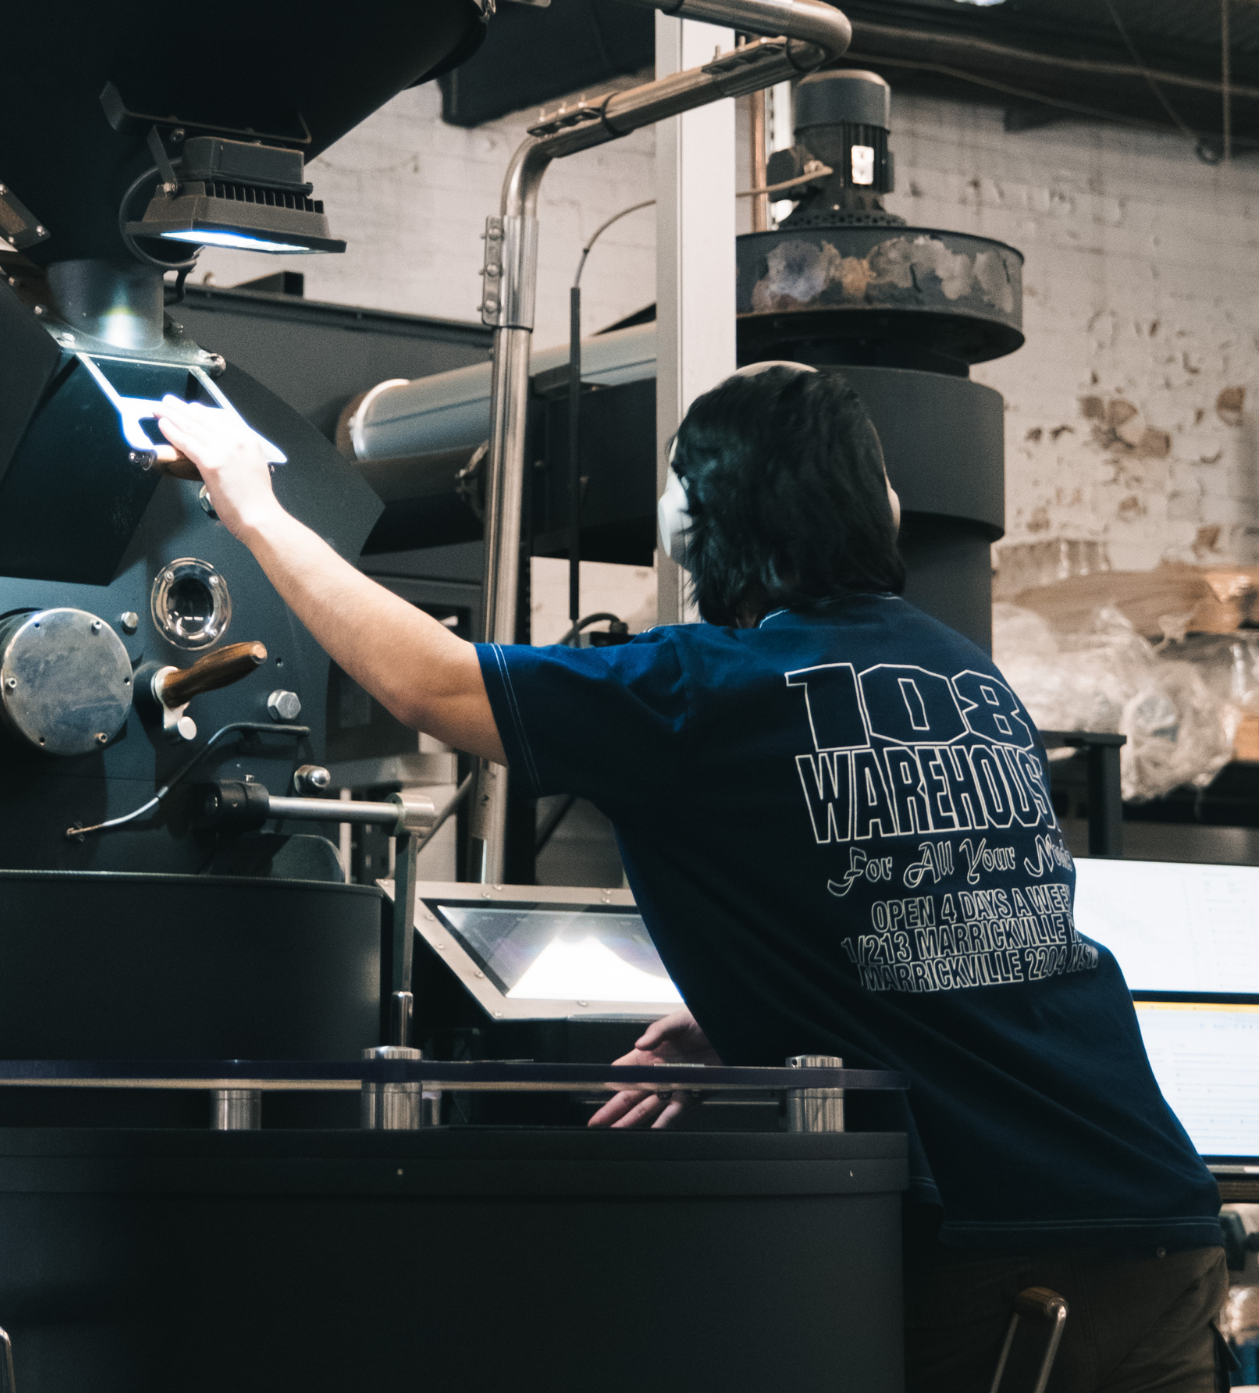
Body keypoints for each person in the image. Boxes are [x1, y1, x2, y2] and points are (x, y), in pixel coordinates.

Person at [157, 362, 1226, 1393]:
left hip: (1002, 1259)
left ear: (698, 522)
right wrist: (742, 1017)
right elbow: (935, 907)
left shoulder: (707, 687)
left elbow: (429, 684)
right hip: (1160, 1222)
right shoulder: (965, 676)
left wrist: (252, 507)